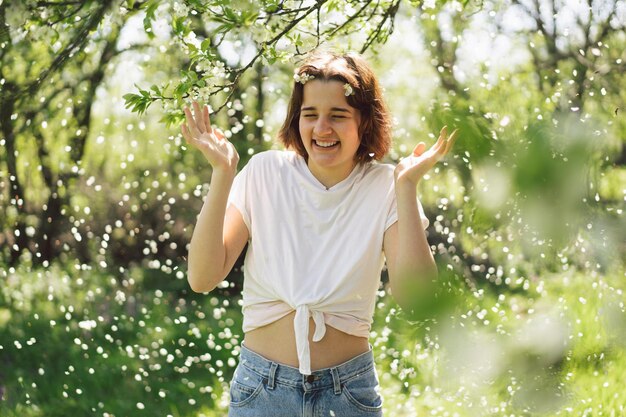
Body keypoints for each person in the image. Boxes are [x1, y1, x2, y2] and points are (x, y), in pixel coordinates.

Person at [181, 50, 457, 416]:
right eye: (310, 115)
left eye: (338, 116)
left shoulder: (386, 186)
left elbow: (416, 297)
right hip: (262, 389)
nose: (322, 128)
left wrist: (406, 189)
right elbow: (202, 277)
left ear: (365, 122)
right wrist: (223, 173)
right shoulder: (265, 172)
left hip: (348, 394)